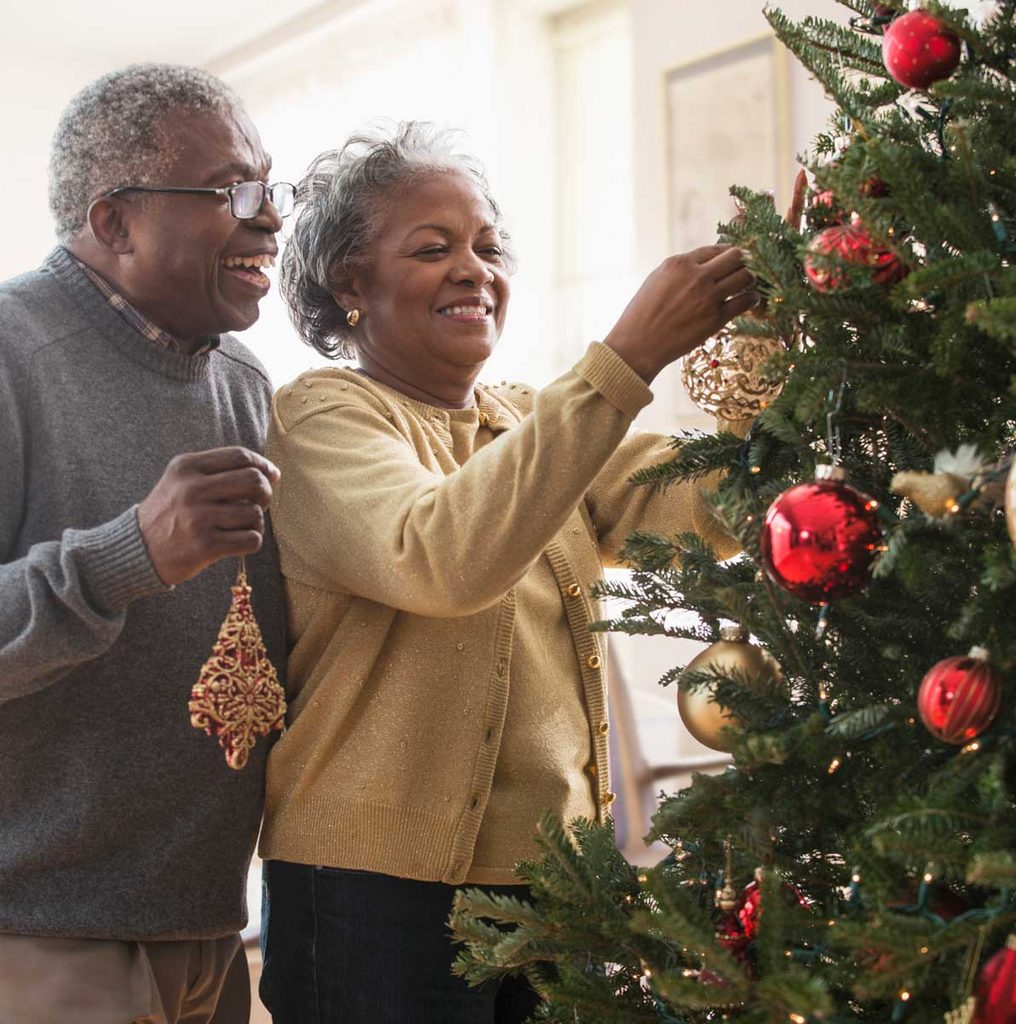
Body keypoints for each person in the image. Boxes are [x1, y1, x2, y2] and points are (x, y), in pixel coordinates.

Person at [259, 122, 758, 1024]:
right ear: (349, 284)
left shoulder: (527, 420)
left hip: (561, 890)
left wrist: (794, 338)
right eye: (432, 248)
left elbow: (700, 501)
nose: (474, 269)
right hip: (373, 895)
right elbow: (443, 556)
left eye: (488, 247)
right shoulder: (319, 417)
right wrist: (629, 357)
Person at [0, 64, 292, 1023]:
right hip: (41, 933)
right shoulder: (10, 354)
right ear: (116, 221)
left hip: (212, 924)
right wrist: (130, 556)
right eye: (230, 191)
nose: (268, 220)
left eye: (269, 189)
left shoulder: (245, 382)